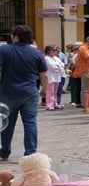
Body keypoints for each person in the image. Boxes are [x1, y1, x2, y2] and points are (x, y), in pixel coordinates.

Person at [0, 25, 49, 161]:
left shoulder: (4, 50)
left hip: (8, 92)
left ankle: (5, 151)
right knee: (30, 123)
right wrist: (45, 89)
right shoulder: (37, 53)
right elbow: (44, 75)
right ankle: (30, 153)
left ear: (15, 37)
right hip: (30, 92)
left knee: (7, 122)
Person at [43, 45, 67, 111]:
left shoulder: (56, 58)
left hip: (57, 76)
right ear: (48, 51)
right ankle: (49, 105)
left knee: (56, 91)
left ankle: (55, 103)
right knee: (50, 91)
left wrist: (59, 66)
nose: (56, 51)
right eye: (53, 50)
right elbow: (52, 67)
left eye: (56, 50)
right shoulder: (46, 58)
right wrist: (59, 66)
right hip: (50, 76)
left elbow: (62, 64)